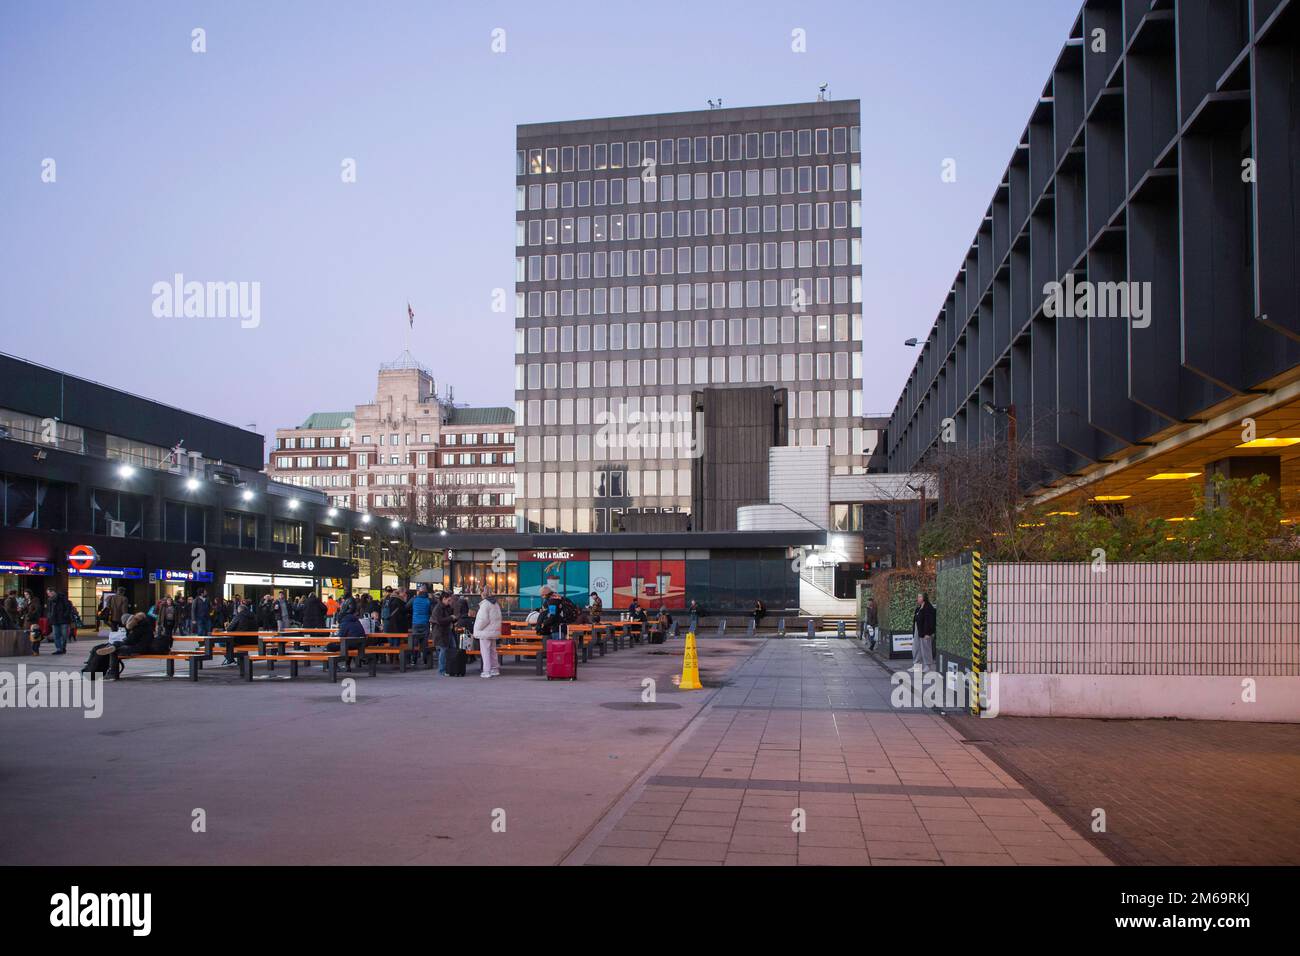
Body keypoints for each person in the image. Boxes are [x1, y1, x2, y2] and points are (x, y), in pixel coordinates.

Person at [473, 587, 502, 678]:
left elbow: (483, 619)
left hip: (485, 632)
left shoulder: (485, 604)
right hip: (494, 630)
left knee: (485, 651)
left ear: (483, 594)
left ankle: (486, 671)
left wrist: (477, 628)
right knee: (493, 651)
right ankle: (495, 669)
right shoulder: (496, 604)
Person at [912, 591, 937, 670]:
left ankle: (928, 665)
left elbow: (930, 621)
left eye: (920, 597)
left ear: (924, 598)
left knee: (926, 648)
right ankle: (917, 665)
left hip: (925, 631)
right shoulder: (918, 608)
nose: (918, 598)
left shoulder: (929, 608)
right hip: (918, 630)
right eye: (918, 597)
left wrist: (928, 633)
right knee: (916, 648)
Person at [432, 592, 455, 675]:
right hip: (440, 632)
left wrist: (453, 619)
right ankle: (442, 670)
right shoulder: (438, 608)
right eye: (449, 600)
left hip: (447, 631)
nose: (450, 602)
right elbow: (439, 620)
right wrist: (450, 618)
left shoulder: (446, 607)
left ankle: (450, 668)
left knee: (451, 648)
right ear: (444, 599)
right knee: (443, 650)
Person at [45, 588, 73, 655]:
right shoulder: (49, 600)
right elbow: (49, 610)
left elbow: (68, 607)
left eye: (49, 593)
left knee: (64, 635)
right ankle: (59, 649)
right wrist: (49, 617)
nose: (48, 595)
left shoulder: (62, 598)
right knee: (56, 635)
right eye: (47, 594)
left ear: (53, 592)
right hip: (54, 620)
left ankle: (63, 648)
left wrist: (65, 615)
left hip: (63, 620)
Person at [408, 585, 432, 661]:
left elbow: (406, 607)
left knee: (415, 642)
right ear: (426, 592)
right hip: (425, 623)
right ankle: (425, 660)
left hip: (415, 623)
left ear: (419, 591)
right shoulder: (428, 600)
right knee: (425, 643)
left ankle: (413, 660)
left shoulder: (414, 599)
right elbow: (431, 611)